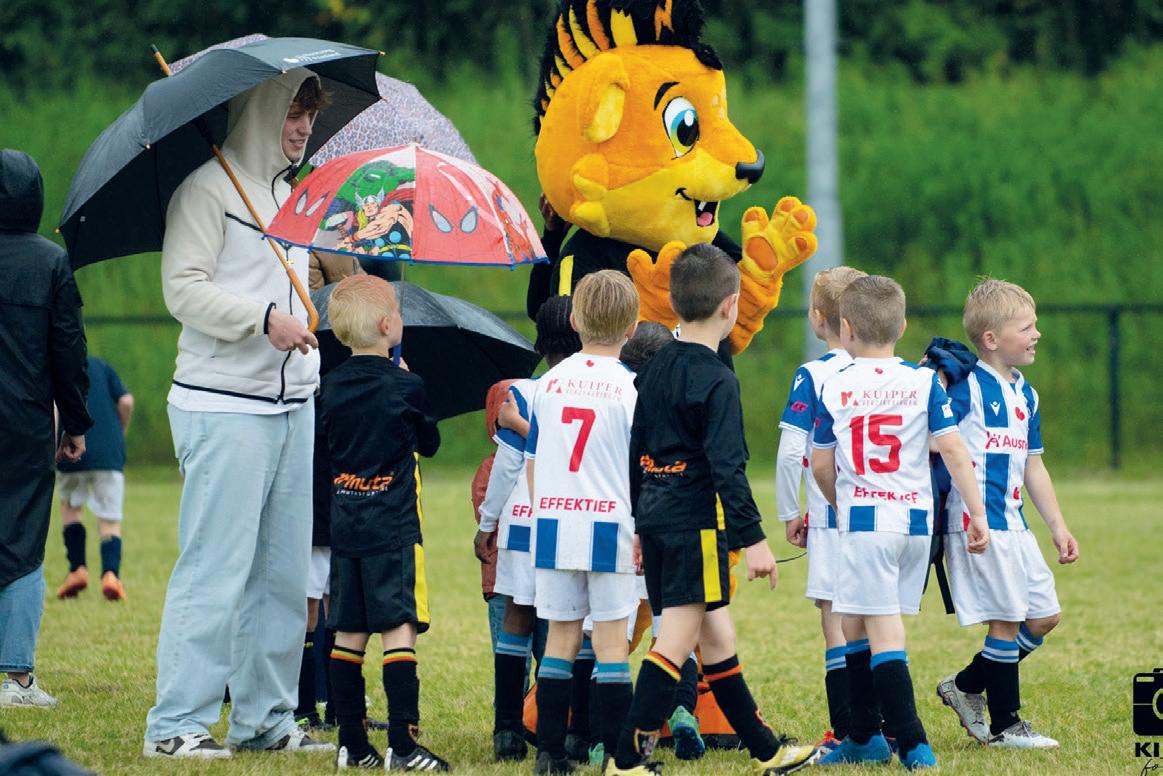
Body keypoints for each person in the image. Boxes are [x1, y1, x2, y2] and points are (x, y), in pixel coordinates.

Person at [143, 73, 331, 759]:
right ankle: (175, 725)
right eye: (293, 112)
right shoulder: (205, 191)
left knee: (282, 576)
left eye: (310, 115)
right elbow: (182, 291)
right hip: (222, 405)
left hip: (293, 405)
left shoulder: (291, 197)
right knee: (215, 570)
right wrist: (263, 318)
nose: (303, 127)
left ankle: (266, 719)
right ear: (260, 111)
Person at [609, 244, 817, 776]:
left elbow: (637, 450)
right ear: (731, 306)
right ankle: (625, 758)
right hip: (691, 526)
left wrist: (639, 525)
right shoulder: (718, 379)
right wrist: (755, 542)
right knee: (675, 642)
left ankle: (766, 750)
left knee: (717, 638)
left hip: (657, 519)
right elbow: (728, 469)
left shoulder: (653, 366)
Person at [810, 275, 989, 770]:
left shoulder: (835, 384)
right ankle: (864, 736)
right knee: (852, 621)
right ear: (903, 326)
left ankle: (913, 743)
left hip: (867, 522)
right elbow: (953, 448)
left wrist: (839, 503)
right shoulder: (923, 380)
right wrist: (976, 513)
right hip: (913, 523)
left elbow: (821, 463)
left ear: (846, 328)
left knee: (882, 629)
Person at [935, 279, 1079, 749]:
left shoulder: (1026, 394)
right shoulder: (965, 387)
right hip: (976, 523)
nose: (1037, 334)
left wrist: (1057, 526)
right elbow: (934, 439)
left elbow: (1033, 464)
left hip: (1015, 524)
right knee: (1007, 618)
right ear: (992, 338)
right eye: (1026, 327)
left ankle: (966, 685)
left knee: (1044, 616)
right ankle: (1006, 726)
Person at [322, 274, 449, 771]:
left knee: (349, 633)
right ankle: (403, 743)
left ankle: (352, 746)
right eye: (397, 311)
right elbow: (429, 443)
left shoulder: (330, 386)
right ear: (385, 325)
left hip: (345, 525)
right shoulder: (406, 385)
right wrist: (408, 386)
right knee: (399, 629)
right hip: (393, 527)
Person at [524, 271, 641, 775]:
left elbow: (533, 461)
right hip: (610, 526)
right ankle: (616, 755)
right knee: (611, 645)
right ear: (633, 327)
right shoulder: (632, 387)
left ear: (573, 320)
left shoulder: (547, 384)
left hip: (554, 523)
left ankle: (549, 754)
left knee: (560, 639)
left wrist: (546, 510)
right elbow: (639, 469)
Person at [0, 149, 91, 709]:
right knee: (23, 539)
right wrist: (75, 422)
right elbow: (69, 350)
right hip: (24, 422)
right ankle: (16, 679)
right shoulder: (51, 262)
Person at [476, 295, 582, 763]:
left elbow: (507, 465)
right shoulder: (596, 388)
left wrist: (487, 523)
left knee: (516, 618)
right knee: (573, 623)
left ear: (540, 341)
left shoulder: (521, 392)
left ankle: (506, 728)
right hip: (574, 516)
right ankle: (573, 730)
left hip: (523, 519)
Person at [774, 266, 867, 751]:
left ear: (817, 317)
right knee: (875, 620)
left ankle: (848, 730)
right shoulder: (891, 374)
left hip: (831, 517)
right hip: (880, 513)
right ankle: (885, 724)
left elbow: (793, 451)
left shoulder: (813, 375)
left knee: (835, 621)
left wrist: (789, 511)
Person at [55, 355, 134, 602]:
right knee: (109, 518)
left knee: (71, 507)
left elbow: (53, 407)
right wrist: (120, 431)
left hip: (70, 447)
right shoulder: (101, 366)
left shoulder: (58, 365)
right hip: (108, 453)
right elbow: (126, 401)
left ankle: (77, 569)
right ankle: (111, 575)